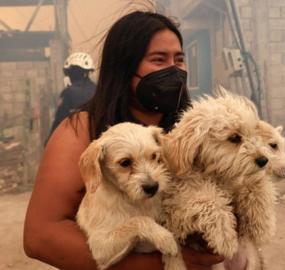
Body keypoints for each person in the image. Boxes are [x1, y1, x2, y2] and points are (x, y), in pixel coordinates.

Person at [24, 11, 247, 270]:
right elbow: (40, 238)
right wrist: (164, 264)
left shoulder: (190, 132)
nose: (174, 70)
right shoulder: (80, 131)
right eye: (158, 60)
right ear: (124, 66)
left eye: (180, 59)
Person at [48, 52, 96, 140]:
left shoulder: (68, 93)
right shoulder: (98, 90)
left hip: (75, 139)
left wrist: (49, 141)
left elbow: (59, 119)